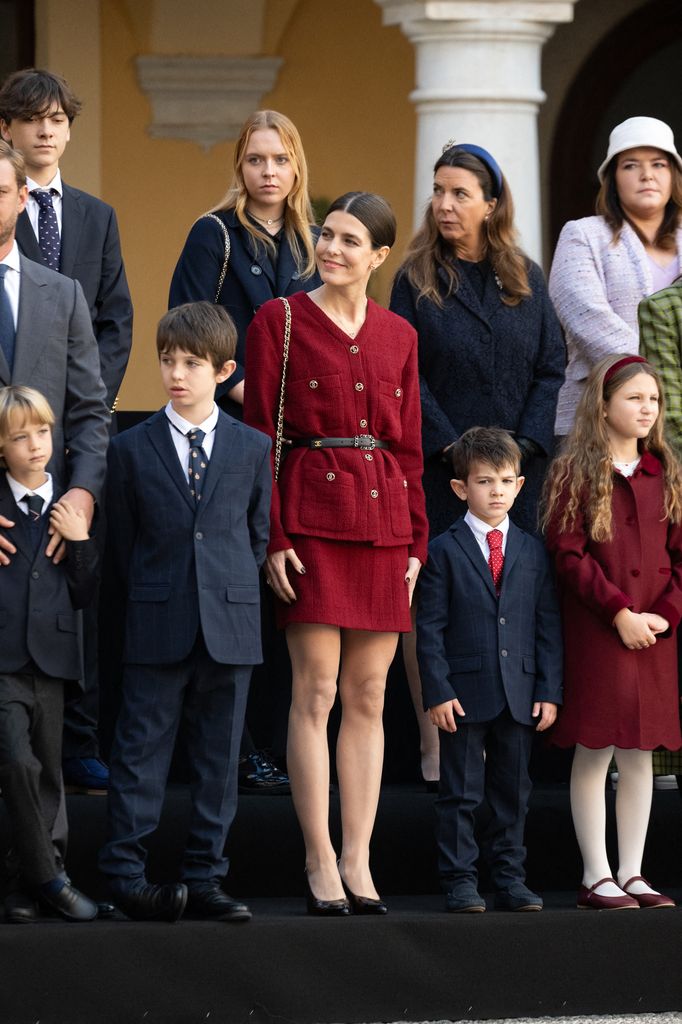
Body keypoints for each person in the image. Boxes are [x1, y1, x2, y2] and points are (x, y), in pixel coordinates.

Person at [244, 192, 428, 915]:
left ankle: (359, 857)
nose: (334, 249)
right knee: (315, 691)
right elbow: (261, 434)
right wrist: (275, 537)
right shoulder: (279, 319)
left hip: (384, 524)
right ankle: (318, 857)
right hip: (312, 518)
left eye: (352, 241)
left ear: (380, 257)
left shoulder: (399, 335)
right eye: (327, 235)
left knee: (369, 695)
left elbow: (409, 446)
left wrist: (416, 540)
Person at [390, 142, 565, 787]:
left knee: (511, 601)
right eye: (438, 190)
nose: (443, 204)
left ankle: (505, 739)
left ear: (492, 204)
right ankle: (438, 741)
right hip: (443, 473)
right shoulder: (415, 278)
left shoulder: (526, 274)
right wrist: (454, 451)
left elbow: (551, 367)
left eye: (460, 193)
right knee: (437, 604)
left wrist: (521, 452)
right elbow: (403, 374)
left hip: (516, 477)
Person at [99, 302, 271, 922]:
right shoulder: (131, 447)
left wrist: (225, 590)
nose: (176, 373)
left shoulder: (253, 448)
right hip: (154, 618)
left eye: (192, 363)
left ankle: (205, 876)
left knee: (219, 762)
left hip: (230, 623)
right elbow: (121, 544)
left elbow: (256, 536)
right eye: (167, 360)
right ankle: (124, 874)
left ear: (223, 370)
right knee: (140, 754)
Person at [170, 109, 321, 791]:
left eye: (280, 160)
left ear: (296, 169)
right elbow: (191, 330)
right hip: (235, 431)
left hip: (302, 443)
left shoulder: (314, 243)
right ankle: (233, 751)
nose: (268, 172)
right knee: (240, 594)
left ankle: (286, 747)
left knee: (293, 592)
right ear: (240, 165)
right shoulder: (215, 234)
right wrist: (249, 406)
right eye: (256, 159)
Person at [0, 68, 134, 794]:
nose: (47, 130)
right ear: (8, 130)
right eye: (32, 118)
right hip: (6, 441)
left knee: (72, 582)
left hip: (73, 434)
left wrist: (89, 412)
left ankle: (78, 736)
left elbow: (114, 321)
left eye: (58, 118)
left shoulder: (95, 215)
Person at [543, 354, 682, 910]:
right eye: (633, 398)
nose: (647, 408)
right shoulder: (576, 472)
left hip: (654, 635)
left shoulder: (666, 472)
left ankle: (633, 872)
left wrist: (664, 615)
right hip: (601, 631)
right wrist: (620, 612)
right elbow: (568, 554)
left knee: (639, 752)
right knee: (596, 746)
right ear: (602, 407)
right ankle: (595, 873)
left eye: (653, 399)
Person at [417, 427, 562, 913]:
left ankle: (509, 878)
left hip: (521, 693)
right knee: (459, 793)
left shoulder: (532, 550)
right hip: (462, 693)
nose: (496, 490)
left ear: (521, 485)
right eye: (484, 481)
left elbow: (547, 626)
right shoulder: (442, 549)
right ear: (461, 488)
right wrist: (436, 691)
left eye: (505, 480)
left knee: (513, 793)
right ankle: (459, 880)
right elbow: (429, 629)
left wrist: (549, 689)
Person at [0, 385, 99, 923]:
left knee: (46, 774)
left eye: (43, 432)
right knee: (15, 762)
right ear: (1, 447)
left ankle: (23, 884)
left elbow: (88, 594)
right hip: (4, 657)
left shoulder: (72, 503)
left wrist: (80, 540)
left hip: (55, 658)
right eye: (20, 437)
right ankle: (52, 880)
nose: (36, 444)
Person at [550, 116, 682, 438]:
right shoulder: (583, 235)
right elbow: (588, 320)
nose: (647, 175)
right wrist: (654, 381)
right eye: (631, 165)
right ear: (612, 178)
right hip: (601, 418)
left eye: (659, 164)